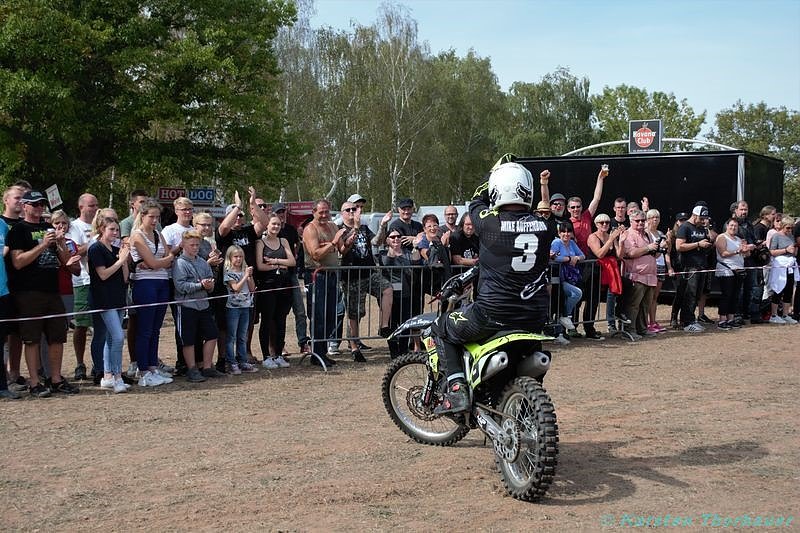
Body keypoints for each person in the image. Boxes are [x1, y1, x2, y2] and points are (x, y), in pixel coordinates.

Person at [434, 161, 554, 414]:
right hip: (534, 317)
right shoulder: (545, 226)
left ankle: (456, 389)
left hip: (493, 313)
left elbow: (476, 201)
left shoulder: (490, 223)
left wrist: (493, 172)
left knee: (442, 326)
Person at [7, 190, 81, 397]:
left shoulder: (48, 227)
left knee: (57, 336)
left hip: (52, 290)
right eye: (35, 204)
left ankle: (55, 378)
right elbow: (18, 262)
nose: (40, 208)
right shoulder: (19, 230)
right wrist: (42, 245)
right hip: (28, 291)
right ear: (25, 206)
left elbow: (65, 261)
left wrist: (60, 243)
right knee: (31, 338)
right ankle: (34, 381)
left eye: (42, 204)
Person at [338, 201, 393, 362]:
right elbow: (344, 249)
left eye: (354, 209)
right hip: (352, 276)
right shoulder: (340, 229)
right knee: (355, 313)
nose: (352, 212)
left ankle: (384, 326)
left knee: (387, 289)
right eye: (348, 210)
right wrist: (354, 228)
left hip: (369, 272)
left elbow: (376, 242)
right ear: (342, 213)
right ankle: (354, 346)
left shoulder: (363, 228)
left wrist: (383, 225)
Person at [129, 199, 175, 387]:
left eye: (157, 217)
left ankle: (153, 366)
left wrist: (160, 261)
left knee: (156, 329)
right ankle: (143, 370)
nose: (155, 220)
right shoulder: (137, 235)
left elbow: (168, 258)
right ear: (142, 215)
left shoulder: (157, 233)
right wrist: (160, 261)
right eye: (151, 216)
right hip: (145, 284)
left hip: (162, 282)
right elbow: (158, 261)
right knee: (145, 328)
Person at [173, 230, 223, 381]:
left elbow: (211, 281)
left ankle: (207, 367)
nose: (195, 247)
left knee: (212, 334)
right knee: (188, 339)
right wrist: (200, 285)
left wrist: (209, 286)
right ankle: (192, 369)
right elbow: (180, 286)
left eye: (197, 245)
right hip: (187, 306)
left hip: (204, 305)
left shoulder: (202, 262)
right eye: (192, 245)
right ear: (183, 245)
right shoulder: (180, 263)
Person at [88, 216, 130, 393]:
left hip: (118, 296)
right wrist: (120, 261)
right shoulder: (96, 249)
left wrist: (124, 260)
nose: (115, 233)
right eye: (111, 229)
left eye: (117, 230)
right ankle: (117, 376)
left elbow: (125, 277)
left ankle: (107, 376)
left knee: (111, 338)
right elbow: (103, 274)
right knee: (119, 337)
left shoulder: (115, 249)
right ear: (101, 230)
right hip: (104, 299)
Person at [303, 199, 347, 367]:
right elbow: (315, 254)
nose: (324, 215)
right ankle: (316, 353)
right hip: (317, 276)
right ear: (314, 212)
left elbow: (341, 249)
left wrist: (347, 241)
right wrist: (333, 242)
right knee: (318, 316)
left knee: (331, 316)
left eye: (326, 212)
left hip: (332, 275)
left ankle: (322, 351)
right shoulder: (310, 229)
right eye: (320, 212)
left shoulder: (333, 226)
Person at [255, 214, 295, 368]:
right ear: (267, 225)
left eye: (278, 224)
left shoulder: (283, 241)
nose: (276, 227)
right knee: (267, 321)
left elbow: (291, 261)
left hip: (283, 286)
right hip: (267, 286)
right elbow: (260, 266)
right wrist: (279, 266)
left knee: (281, 321)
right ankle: (266, 356)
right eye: (273, 224)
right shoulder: (260, 243)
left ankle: (278, 354)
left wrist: (275, 262)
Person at [67, 193, 99, 381]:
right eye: (91, 205)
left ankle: (98, 363)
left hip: (100, 280)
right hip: (82, 281)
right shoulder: (75, 227)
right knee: (81, 325)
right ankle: (80, 362)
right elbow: (74, 250)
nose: (94, 208)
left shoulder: (100, 224)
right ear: (81, 207)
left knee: (99, 325)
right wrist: (93, 240)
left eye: (96, 205)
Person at [379, 228, 424, 358]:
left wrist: (415, 247)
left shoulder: (408, 252)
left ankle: (403, 351)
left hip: (407, 294)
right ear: (387, 240)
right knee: (392, 325)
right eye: (392, 237)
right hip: (390, 297)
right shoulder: (383, 254)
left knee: (405, 324)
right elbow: (387, 263)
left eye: (398, 236)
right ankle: (393, 352)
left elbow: (416, 263)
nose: (396, 239)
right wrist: (392, 249)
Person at [274, 202, 310, 355]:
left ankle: (303, 342)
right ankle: (279, 345)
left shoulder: (290, 229)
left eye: (283, 212)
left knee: (300, 311)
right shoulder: (271, 231)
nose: (281, 215)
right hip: (276, 276)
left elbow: (297, 247)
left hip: (292, 274)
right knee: (280, 314)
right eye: (278, 212)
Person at [620, 209, 659, 340]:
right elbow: (630, 253)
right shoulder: (628, 235)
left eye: (643, 220)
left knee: (645, 305)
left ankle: (642, 328)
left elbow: (655, 254)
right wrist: (648, 248)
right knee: (633, 305)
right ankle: (630, 330)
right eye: (638, 221)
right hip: (636, 275)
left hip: (650, 276)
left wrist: (662, 246)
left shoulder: (647, 235)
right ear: (631, 221)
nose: (641, 223)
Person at [675, 205, 714, 332]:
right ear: (695, 215)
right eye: (701, 218)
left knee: (697, 295)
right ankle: (687, 322)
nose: (703, 221)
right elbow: (679, 246)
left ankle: (691, 318)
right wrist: (698, 244)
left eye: (705, 218)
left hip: (701, 265)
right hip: (689, 266)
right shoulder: (685, 227)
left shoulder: (702, 228)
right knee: (689, 294)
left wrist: (706, 243)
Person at [223, 245, 258, 374]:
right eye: (236, 256)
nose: (238, 259)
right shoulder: (228, 273)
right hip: (233, 308)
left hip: (245, 306)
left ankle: (243, 361)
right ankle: (231, 362)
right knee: (231, 336)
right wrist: (244, 276)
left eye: (241, 257)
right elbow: (236, 288)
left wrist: (249, 276)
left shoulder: (245, 271)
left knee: (242, 336)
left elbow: (252, 288)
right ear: (230, 258)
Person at [587, 213, 623, 336]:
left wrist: (621, 240)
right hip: (595, 272)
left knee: (617, 293)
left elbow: (619, 255)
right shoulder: (593, 237)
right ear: (596, 224)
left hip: (610, 272)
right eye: (601, 223)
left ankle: (613, 321)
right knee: (593, 300)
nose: (604, 225)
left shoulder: (610, 236)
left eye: (607, 222)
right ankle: (589, 328)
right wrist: (611, 239)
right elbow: (600, 254)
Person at [551, 223, 584, 337]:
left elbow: (582, 255)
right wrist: (569, 258)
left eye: (568, 232)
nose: (566, 234)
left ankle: (562, 323)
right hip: (559, 279)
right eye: (563, 232)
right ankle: (564, 315)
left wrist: (576, 258)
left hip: (571, 277)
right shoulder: (556, 243)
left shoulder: (572, 243)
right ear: (559, 233)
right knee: (576, 293)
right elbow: (554, 258)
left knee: (565, 300)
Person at [0, 215, 21, 399]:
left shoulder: (2, 225)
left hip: (2, 289)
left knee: (2, 339)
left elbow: (7, 248)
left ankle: (2, 385)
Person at [715, 218, 748, 330]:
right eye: (731, 225)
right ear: (727, 226)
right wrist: (737, 251)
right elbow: (723, 253)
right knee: (726, 295)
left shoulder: (739, 239)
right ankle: (722, 320)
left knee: (735, 295)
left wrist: (747, 249)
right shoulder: (721, 237)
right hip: (726, 270)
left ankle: (731, 318)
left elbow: (745, 254)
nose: (733, 228)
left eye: (735, 226)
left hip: (738, 270)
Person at [644, 209, 672, 333]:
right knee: (648, 296)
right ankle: (645, 322)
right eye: (652, 217)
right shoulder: (645, 233)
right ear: (648, 219)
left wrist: (669, 267)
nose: (655, 220)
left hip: (660, 265)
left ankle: (653, 322)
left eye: (657, 217)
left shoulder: (660, 233)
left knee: (655, 296)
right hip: (650, 265)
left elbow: (666, 252)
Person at [767, 216, 798, 324]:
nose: (789, 230)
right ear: (783, 226)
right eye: (788, 228)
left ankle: (785, 314)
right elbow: (771, 251)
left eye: (791, 228)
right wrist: (785, 250)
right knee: (778, 289)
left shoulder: (791, 236)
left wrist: (794, 250)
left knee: (789, 289)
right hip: (780, 266)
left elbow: (793, 250)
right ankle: (774, 314)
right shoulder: (776, 236)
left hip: (790, 266)